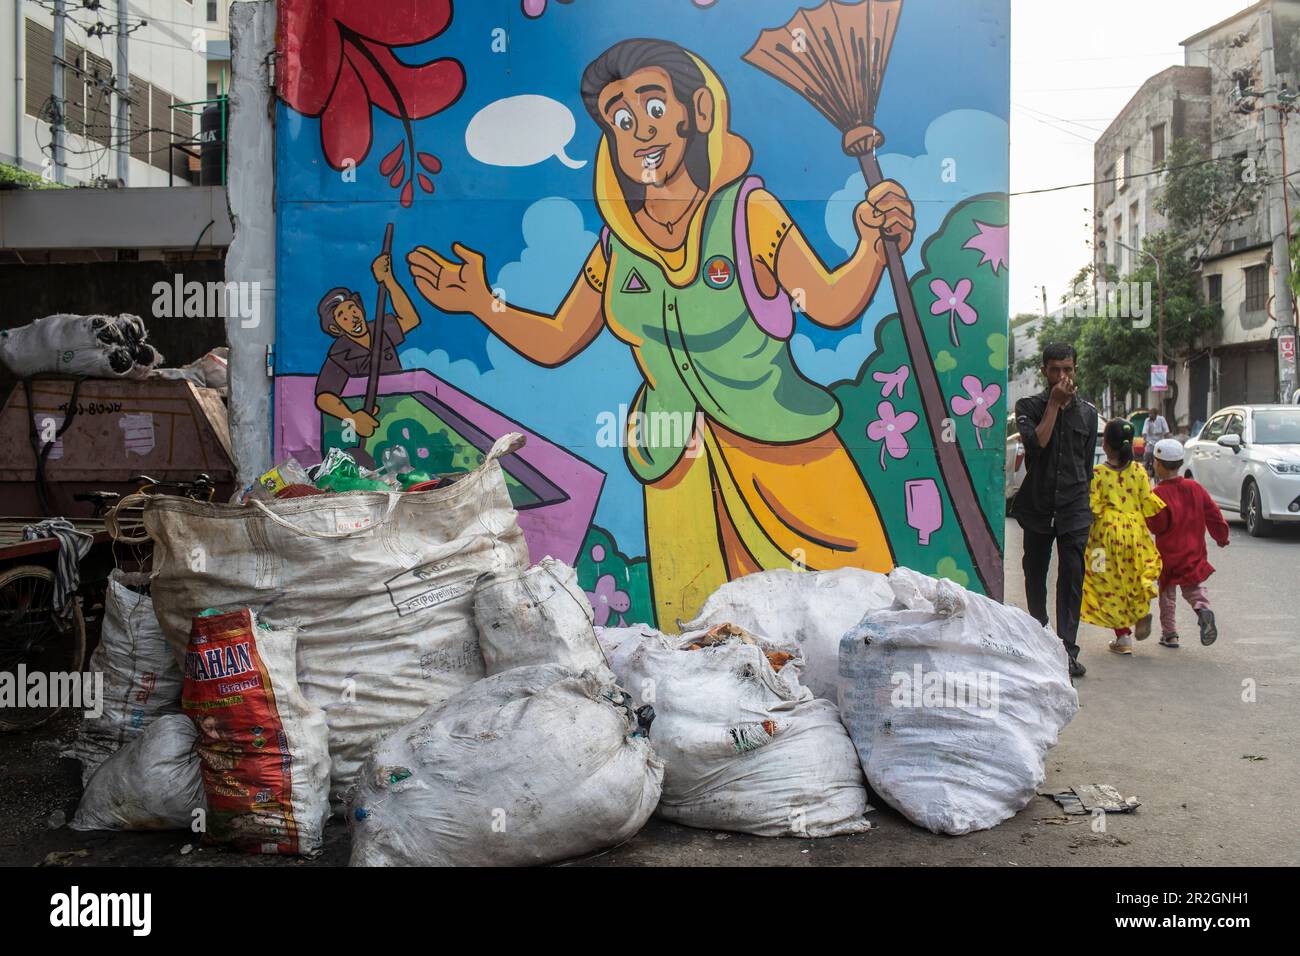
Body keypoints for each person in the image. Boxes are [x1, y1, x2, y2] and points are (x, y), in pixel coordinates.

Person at [407, 38, 915, 625]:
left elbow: (828, 304)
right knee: (697, 637)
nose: (639, 131)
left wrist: (873, 248)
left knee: (858, 614)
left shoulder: (748, 214)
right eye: (621, 119)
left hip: (785, 454)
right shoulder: (617, 247)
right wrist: (480, 302)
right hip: (677, 464)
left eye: (653, 107)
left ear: (698, 113)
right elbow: (557, 340)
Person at [1013, 343, 1099, 677]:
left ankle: (1066, 650)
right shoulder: (1029, 406)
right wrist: (1053, 405)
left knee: (1072, 577)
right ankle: (1039, 637)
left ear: (1075, 370)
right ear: (1044, 372)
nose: (1062, 376)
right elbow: (1037, 444)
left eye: (1067, 369)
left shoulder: (1088, 413)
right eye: (1055, 370)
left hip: (1074, 508)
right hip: (1038, 507)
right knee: (1035, 573)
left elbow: (1086, 464)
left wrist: (1083, 502)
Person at [1080, 419, 1166, 655]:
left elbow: (1092, 508)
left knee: (1104, 582)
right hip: (1135, 534)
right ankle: (1139, 612)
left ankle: (1123, 636)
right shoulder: (1139, 471)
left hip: (1103, 539)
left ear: (1105, 445)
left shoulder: (1097, 473)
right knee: (1135, 575)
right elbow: (1148, 503)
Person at [314, 253, 422, 438]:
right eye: (343, 316)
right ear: (335, 327)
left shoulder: (381, 327)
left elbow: (410, 319)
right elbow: (324, 396)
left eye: (352, 308)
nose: (352, 316)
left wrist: (388, 280)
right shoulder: (340, 353)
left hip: (399, 407)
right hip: (370, 415)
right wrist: (351, 418)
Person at [1145, 438, 1229, 647]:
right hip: (1193, 551)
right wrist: (1221, 536)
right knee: (1192, 588)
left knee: (1167, 594)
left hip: (1168, 555)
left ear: (1157, 464)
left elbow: (1156, 526)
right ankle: (1203, 608)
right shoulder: (1195, 488)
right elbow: (1214, 514)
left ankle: (1170, 634)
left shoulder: (1157, 494)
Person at [1141, 405, 1170, 472]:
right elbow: (1145, 431)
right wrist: (1144, 439)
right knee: (1148, 453)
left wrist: (1167, 440)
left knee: (1162, 456)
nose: (1150, 415)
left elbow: (1166, 431)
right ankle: (1146, 467)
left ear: (1155, 414)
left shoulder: (1161, 419)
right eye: (1149, 414)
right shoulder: (1147, 420)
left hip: (1160, 441)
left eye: (1151, 414)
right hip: (1150, 441)